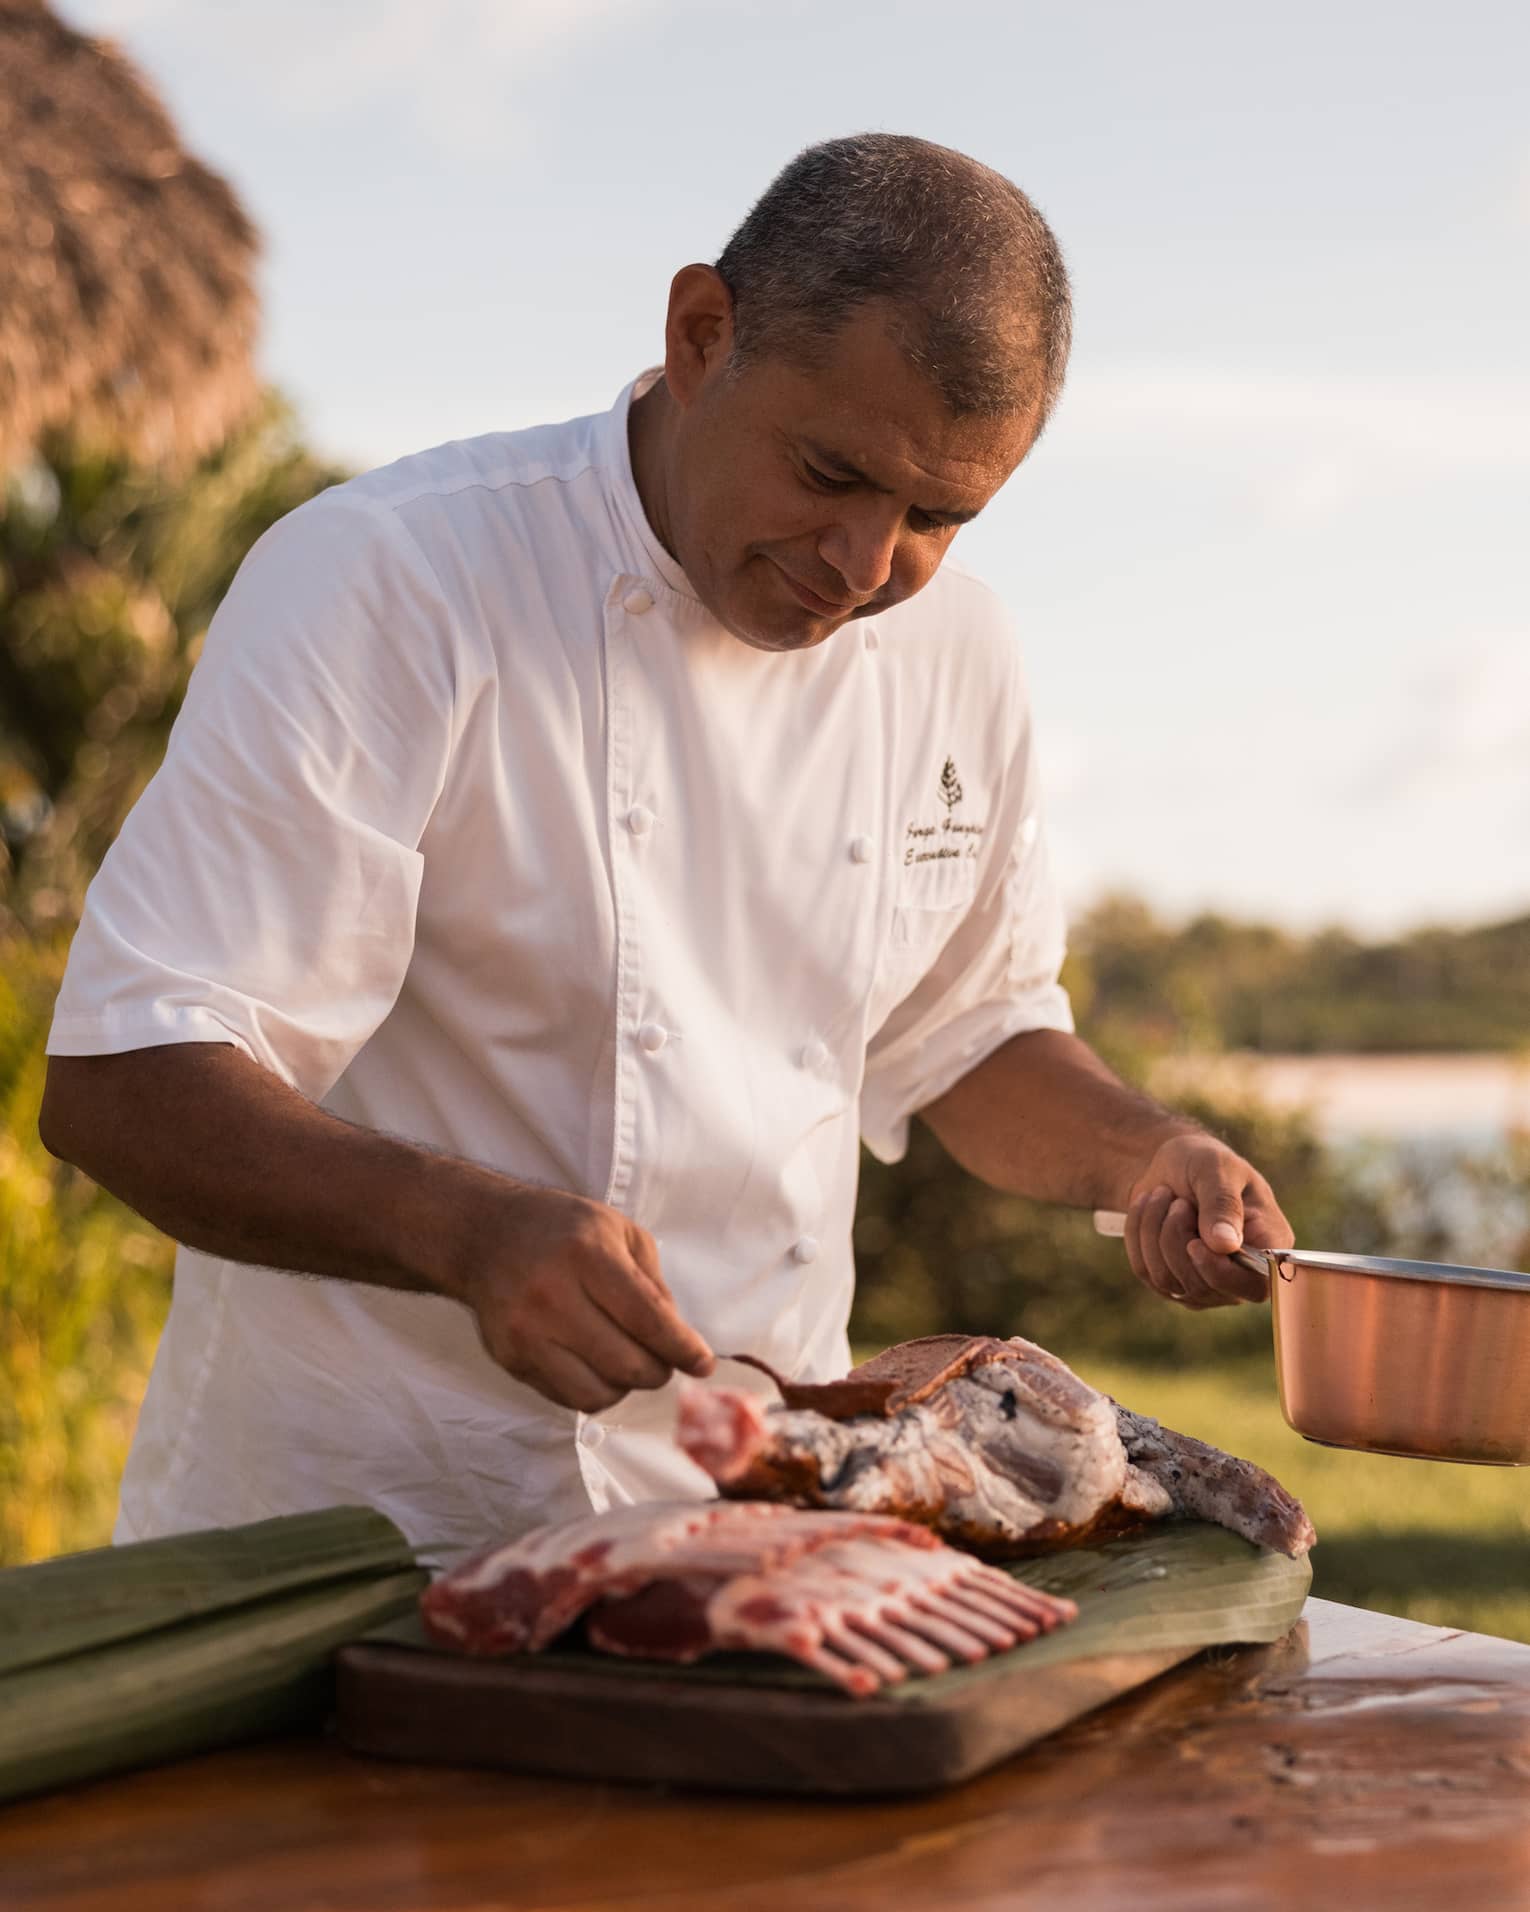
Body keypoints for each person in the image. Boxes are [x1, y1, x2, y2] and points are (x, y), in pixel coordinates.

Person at [39, 134, 1293, 1561]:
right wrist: (463, 1230)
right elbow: (125, 1079)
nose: (866, 563)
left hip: (753, 1521)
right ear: (701, 335)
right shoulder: (395, 577)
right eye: (830, 473)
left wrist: (1150, 1150)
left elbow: (967, 1032)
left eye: (939, 515)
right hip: (353, 1538)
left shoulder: (955, 651)